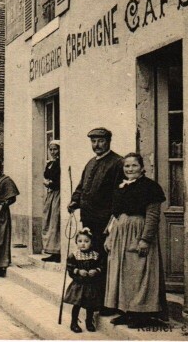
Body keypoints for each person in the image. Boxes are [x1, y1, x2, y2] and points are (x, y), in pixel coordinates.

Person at [104, 153, 168, 329]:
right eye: (127, 166)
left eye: (134, 165)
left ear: (142, 167)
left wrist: (145, 240)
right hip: (120, 234)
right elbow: (115, 215)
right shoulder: (121, 186)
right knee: (122, 273)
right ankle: (126, 311)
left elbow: (153, 216)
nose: (130, 169)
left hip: (138, 233)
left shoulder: (150, 187)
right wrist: (109, 236)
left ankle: (140, 314)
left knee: (138, 274)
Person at [67, 127, 124, 314]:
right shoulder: (91, 162)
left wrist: (112, 220)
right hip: (89, 220)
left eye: (100, 141)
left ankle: (107, 303)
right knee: (91, 260)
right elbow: (82, 186)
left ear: (108, 141)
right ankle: (92, 299)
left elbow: (118, 194)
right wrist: (74, 201)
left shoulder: (117, 163)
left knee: (103, 260)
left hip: (105, 223)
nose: (96, 145)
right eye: (93, 141)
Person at [64, 227, 104, 333]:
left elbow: (102, 266)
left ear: (91, 243)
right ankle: (74, 323)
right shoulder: (74, 255)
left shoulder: (95, 255)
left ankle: (89, 321)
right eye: (80, 241)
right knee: (77, 304)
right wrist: (78, 271)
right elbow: (70, 267)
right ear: (76, 242)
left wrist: (96, 270)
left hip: (91, 284)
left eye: (86, 241)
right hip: (79, 284)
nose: (83, 244)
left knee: (90, 305)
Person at [42, 140, 61, 263]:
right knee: (49, 221)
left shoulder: (60, 164)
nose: (53, 152)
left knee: (55, 221)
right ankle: (51, 251)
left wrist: (50, 183)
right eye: (51, 149)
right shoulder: (50, 163)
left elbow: (58, 180)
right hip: (51, 195)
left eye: (55, 149)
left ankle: (57, 251)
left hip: (58, 194)